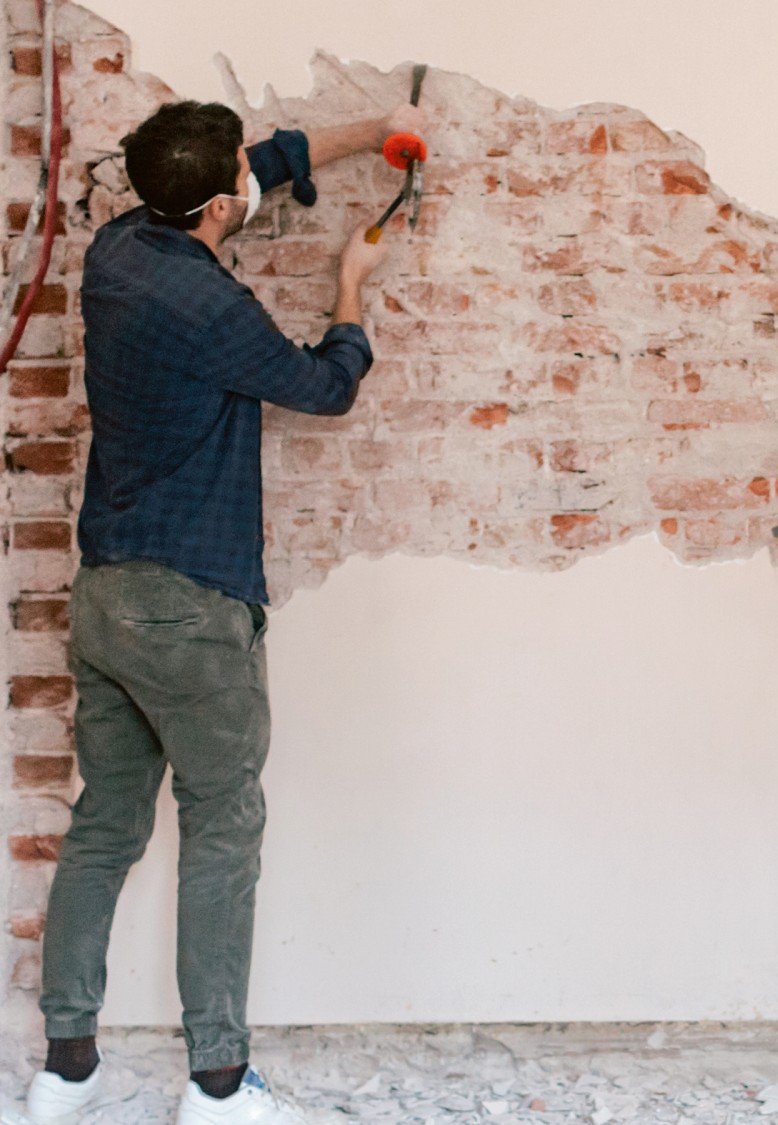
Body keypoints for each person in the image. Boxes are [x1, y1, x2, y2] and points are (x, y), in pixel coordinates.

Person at [12, 99, 421, 1125]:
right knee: (224, 829)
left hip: (104, 595)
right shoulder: (210, 314)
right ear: (219, 203)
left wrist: (371, 130)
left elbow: (258, 162)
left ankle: (63, 1074)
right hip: (189, 607)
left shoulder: (114, 252)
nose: (254, 176)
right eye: (242, 174)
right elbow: (326, 388)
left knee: (104, 824)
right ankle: (220, 1087)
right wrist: (350, 292)